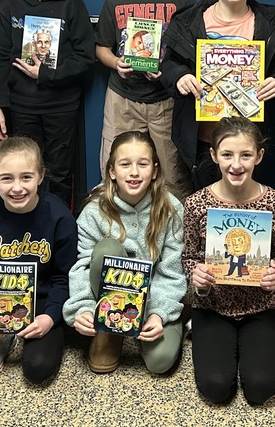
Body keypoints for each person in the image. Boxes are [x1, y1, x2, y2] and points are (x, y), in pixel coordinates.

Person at [160, 0, 275, 190]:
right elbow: (169, 65)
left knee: (250, 207)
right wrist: (180, 77)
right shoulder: (189, 22)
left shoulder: (269, 22)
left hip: (251, 143)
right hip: (205, 141)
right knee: (205, 205)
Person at [182, 117, 275, 405]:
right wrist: (198, 276)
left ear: (259, 156)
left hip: (262, 305)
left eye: (245, 155)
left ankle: (273, 333)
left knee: (260, 388)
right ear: (214, 155)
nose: (236, 164)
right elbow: (189, 256)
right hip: (213, 305)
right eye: (227, 154)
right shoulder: (196, 204)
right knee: (216, 388)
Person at [0, 136, 76, 383]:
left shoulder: (60, 217)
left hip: (41, 300)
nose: (17, 187)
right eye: (7, 178)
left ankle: (41, 328)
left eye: (26, 177)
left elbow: (65, 277)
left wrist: (50, 317)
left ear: (41, 177)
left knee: (38, 369)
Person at [63, 131, 186, 375]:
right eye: (125, 164)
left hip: (153, 297)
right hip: (106, 298)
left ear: (155, 171)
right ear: (111, 171)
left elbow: (172, 271)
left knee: (160, 361)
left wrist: (159, 314)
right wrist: (84, 308)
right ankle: (109, 331)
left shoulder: (171, 208)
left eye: (142, 164)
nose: (134, 172)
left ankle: (146, 325)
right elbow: (82, 267)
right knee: (108, 248)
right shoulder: (94, 211)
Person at [0, 0, 95, 207]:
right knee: (25, 171)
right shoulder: (10, 7)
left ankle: (59, 226)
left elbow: (86, 56)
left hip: (61, 105)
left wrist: (47, 74)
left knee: (60, 173)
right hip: (22, 106)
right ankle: (30, 228)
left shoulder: (72, 5)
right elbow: (2, 58)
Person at [96, 0, 196, 198]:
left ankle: (177, 235)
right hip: (122, 98)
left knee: (173, 174)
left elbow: (192, 52)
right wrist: (116, 62)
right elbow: (101, 47)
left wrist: (169, 72)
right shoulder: (115, 0)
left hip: (166, 100)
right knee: (115, 168)